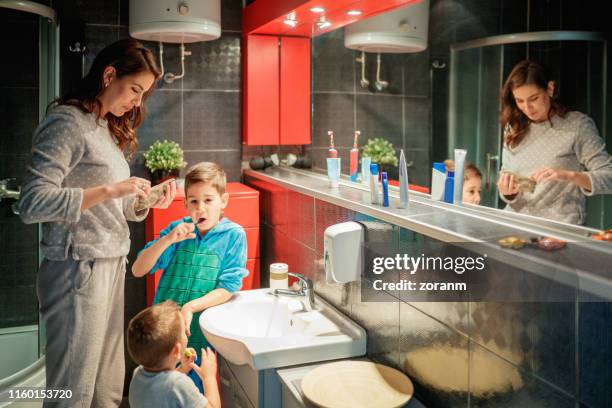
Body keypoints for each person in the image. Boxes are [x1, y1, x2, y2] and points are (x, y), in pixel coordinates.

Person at [18, 38, 176, 406]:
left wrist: (143, 202)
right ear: (109, 75)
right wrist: (108, 189)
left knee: (105, 386)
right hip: (77, 269)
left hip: (109, 263)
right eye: (135, 89)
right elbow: (32, 202)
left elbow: (115, 207)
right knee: (72, 391)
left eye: (144, 94)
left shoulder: (105, 128)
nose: (137, 102)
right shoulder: (67, 122)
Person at [132, 161, 248, 392]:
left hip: (201, 333)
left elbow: (228, 287)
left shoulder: (234, 235)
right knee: (161, 392)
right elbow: (138, 269)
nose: (200, 208)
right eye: (193, 201)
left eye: (208, 200)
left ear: (223, 201)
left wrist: (191, 307)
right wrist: (168, 240)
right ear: (185, 204)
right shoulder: (178, 230)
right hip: (164, 334)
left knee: (193, 392)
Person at [497, 60, 612, 224]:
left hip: (558, 229)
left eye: (534, 98)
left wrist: (569, 176)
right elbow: (507, 175)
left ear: (550, 89)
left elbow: (609, 177)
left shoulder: (577, 125)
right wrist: (509, 193)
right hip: (515, 223)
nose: (527, 108)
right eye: (519, 101)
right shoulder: (513, 127)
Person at [127, 300, 220, 408]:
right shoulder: (179, 385)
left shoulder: (138, 374)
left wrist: (182, 369)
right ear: (176, 351)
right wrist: (209, 377)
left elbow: (161, 384)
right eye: (184, 331)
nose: (187, 332)